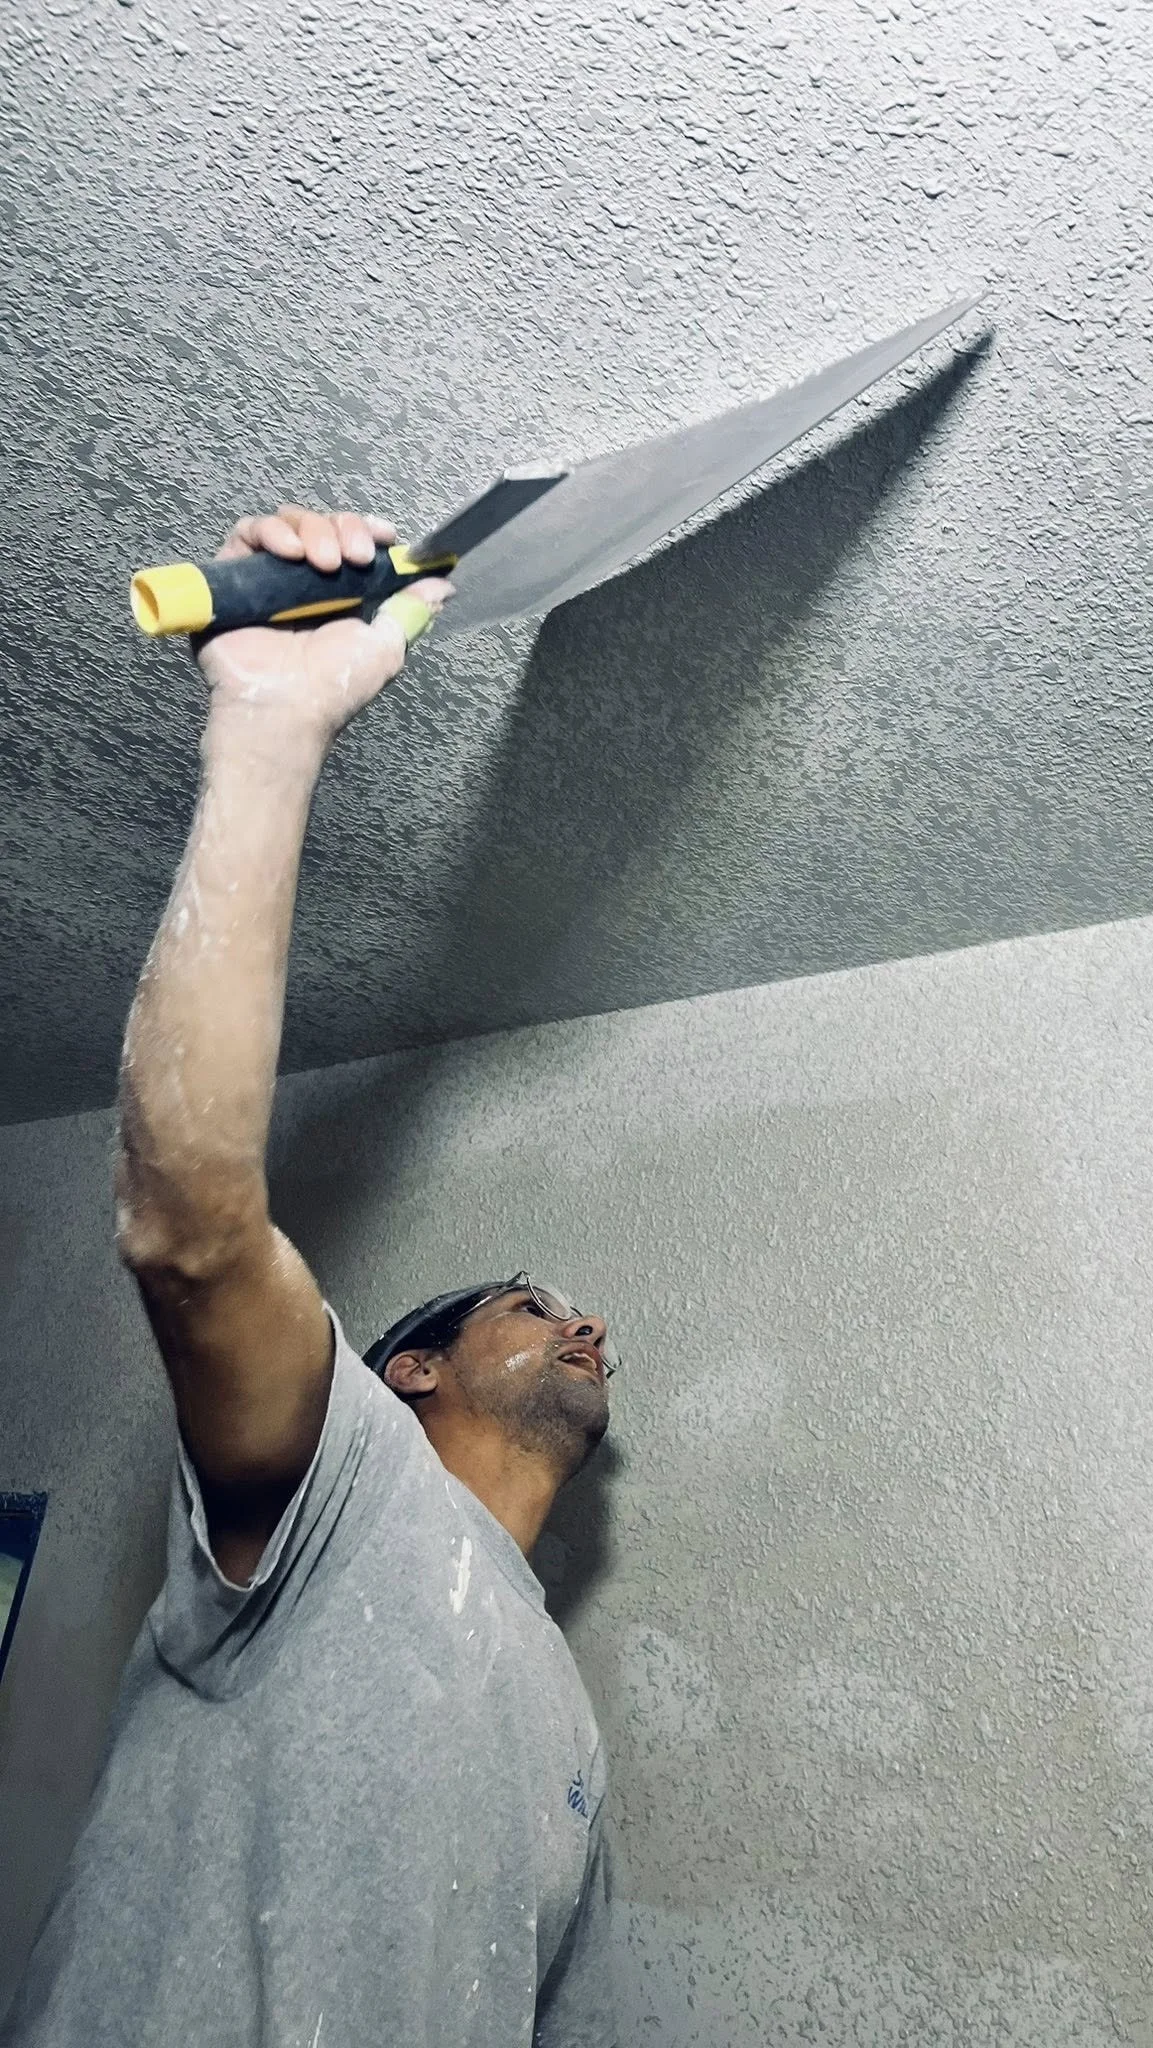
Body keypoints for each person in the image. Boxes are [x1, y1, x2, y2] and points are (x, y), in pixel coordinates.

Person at [2, 507, 618, 2048]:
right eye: (534, 1304)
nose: (587, 1324)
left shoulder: (563, 1720)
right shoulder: (342, 1493)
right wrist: (271, 731)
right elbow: (192, 1229)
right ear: (405, 1367)